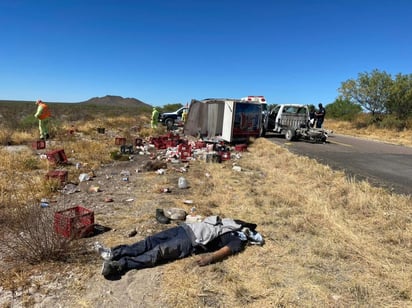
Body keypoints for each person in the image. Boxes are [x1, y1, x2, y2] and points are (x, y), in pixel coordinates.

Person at [95, 216, 264, 277]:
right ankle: (113, 253)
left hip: (190, 242)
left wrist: (209, 259)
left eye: (250, 231)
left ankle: (119, 266)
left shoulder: (238, 239)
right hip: (186, 228)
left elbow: (225, 251)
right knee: (149, 241)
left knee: (157, 253)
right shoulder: (232, 224)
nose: (246, 228)